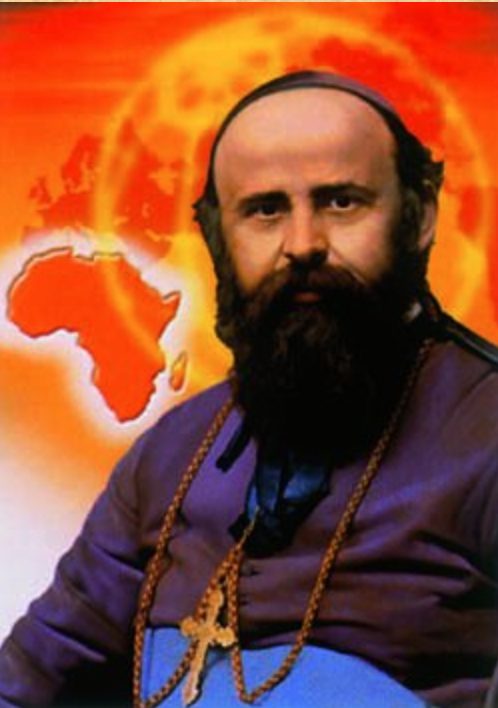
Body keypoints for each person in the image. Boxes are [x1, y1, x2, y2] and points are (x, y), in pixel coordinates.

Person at [0, 70, 497, 708]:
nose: (303, 244)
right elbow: (35, 673)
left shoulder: (485, 429)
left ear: (419, 217)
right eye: (265, 210)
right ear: (218, 238)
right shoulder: (173, 450)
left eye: (341, 202)